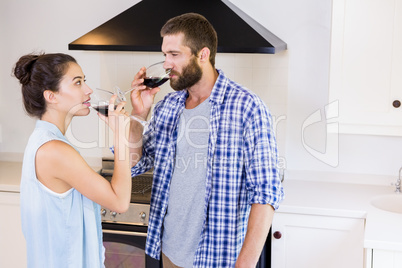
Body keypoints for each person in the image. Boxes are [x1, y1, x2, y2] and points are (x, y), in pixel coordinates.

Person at [128, 13, 285, 267]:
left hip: (219, 259)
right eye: (164, 55)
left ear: (202, 55)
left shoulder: (246, 107)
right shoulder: (167, 106)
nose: (166, 64)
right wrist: (138, 115)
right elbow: (134, 164)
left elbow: (265, 194)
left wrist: (244, 265)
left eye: (174, 54)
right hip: (170, 253)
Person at [13, 52, 133, 267]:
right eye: (77, 83)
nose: (88, 90)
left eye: (84, 81)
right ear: (52, 96)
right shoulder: (55, 150)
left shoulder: (45, 140)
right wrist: (120, 134)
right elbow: (120, 201)